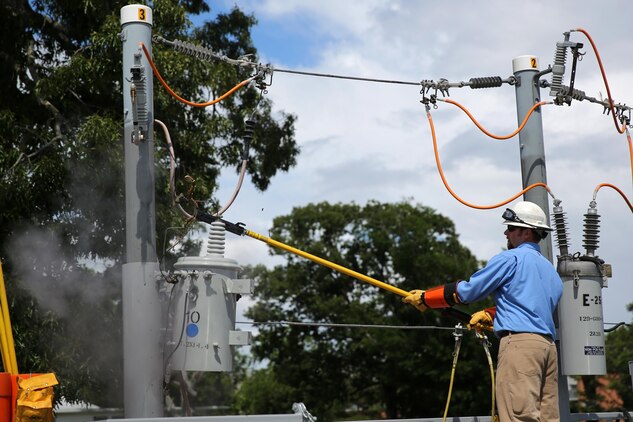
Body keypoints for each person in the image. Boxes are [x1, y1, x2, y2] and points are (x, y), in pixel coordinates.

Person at [404, 201, 563, 422]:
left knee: (520, 417)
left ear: (526, 232)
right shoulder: (550, 270)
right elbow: (529, 304)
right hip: (548, 349)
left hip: (520, 346)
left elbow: (469, 291)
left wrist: (426, 298)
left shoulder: (511, 259)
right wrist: (490, 314)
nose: (506, 232)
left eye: (511, 228)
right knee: (547, 418)